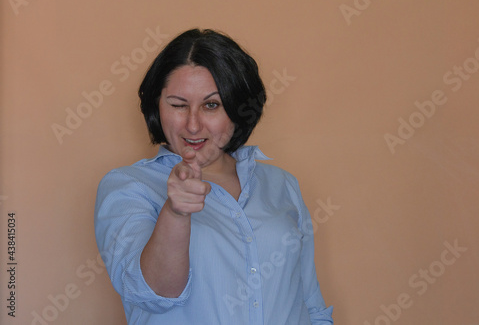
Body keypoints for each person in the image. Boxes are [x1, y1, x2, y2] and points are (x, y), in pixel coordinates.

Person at [94, 28, 333, 324]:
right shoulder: (128, 187)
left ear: (237, 107)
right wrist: (176, 213)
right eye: (178, 105)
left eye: (211, 105)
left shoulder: (282, 184)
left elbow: (309, 302)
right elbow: (152, 294)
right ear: (157, 107)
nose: (193, 125)